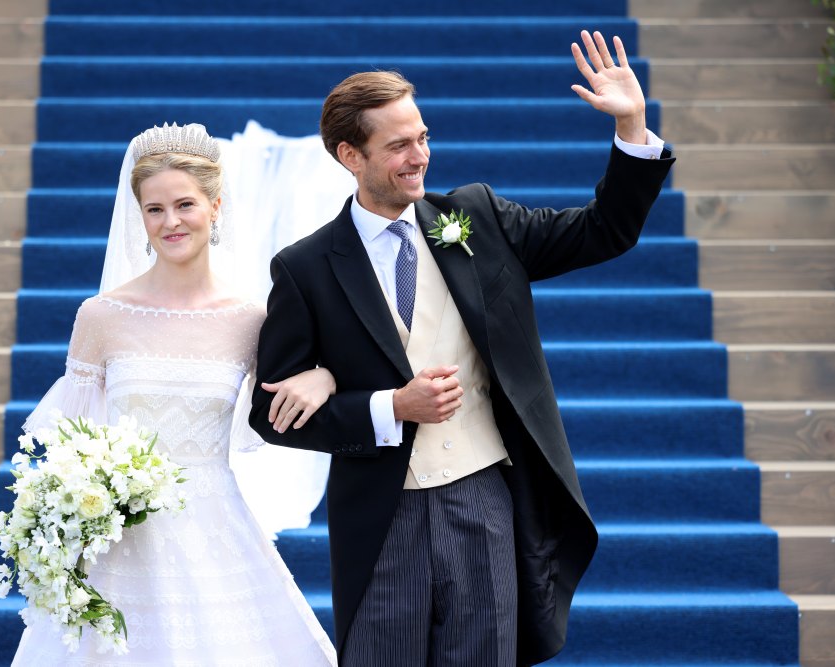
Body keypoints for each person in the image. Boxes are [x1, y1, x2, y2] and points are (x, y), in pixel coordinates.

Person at [249, 31, 675, 666]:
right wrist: (389, 407)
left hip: (484, 498)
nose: (419, 156)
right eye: (398, 146)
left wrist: (631, 126)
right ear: (350, 155)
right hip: (380, 515)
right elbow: (270, 415)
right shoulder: (306, 266)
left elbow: (604, 230)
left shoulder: (478, 217)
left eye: (422, 137)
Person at [8, 122, 338, 665]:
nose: (170, 222)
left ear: (215, 207)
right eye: (154, 209)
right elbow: (71, 442)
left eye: (184, 204)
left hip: (215, 529)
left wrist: (326, 376)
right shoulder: (101, 317)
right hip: (118, 539)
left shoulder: (251, 320)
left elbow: (290, 393)